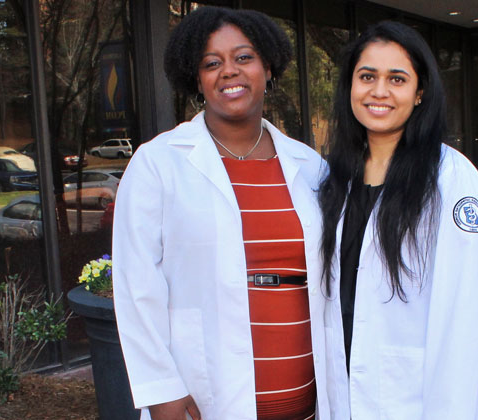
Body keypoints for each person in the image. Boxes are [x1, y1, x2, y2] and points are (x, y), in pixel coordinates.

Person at [113, 6, 336, 420]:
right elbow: (135, 285)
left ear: (268, 68)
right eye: (211, 63)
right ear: (197, 79)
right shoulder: (158, 163)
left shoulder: (309, 167)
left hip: (305, 395)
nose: (229, 71)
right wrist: (160, 391)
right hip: (205, 398)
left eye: (244, 57)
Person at [319, 21, 478, 419]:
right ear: (350, 86)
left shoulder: (450, 177)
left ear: (419, 93)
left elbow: (462, 318)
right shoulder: (334, 177)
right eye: (367, 77)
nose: (379, 91)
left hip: (414, 402)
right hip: (342, 394)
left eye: (396, 79)